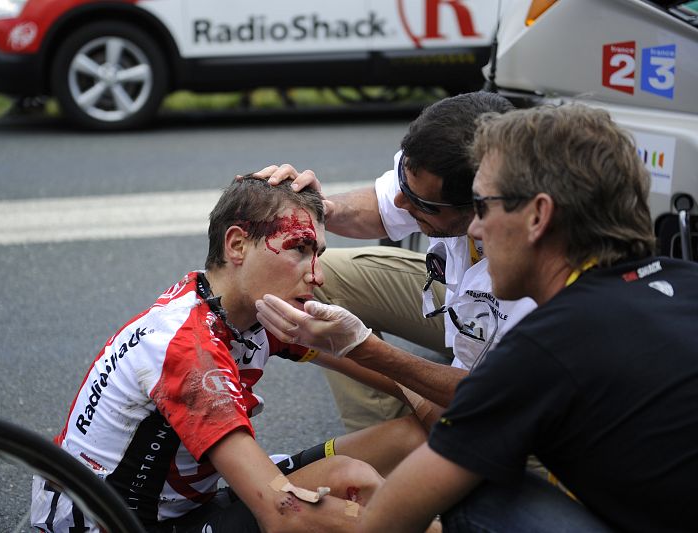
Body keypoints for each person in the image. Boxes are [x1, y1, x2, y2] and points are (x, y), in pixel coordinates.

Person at [257, 104, 698, 532]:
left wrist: (316, 509)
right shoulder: (684, 278)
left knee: (475, 491)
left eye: (483, 207)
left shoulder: (547, 345)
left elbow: (386, 518)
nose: (475, 229)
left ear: (538, 216)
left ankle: (390, 456)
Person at [30, 176, 431, 533]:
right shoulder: (187, 347)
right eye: (299, 249)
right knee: (345, 491)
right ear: (237, 245)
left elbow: (404, 383)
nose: (317, 274)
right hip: (124, 524)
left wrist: (444, 402)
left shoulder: (246, 307)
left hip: (189, 508)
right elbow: (283, 515)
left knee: (414, 435)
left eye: (318, 254)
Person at [257, 92, 536, 432]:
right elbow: (381, 206)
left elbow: (487, 396)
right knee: (316, 276)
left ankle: (422, 440)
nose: (401, 201)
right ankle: (385, 433)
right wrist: (318, 207)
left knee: (465, 425)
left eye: (422, 203)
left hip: (508, 388)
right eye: (403, 180)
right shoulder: (447, 176)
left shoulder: (538, 275)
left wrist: (364, 349)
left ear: (482, 203)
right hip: (467, 310)